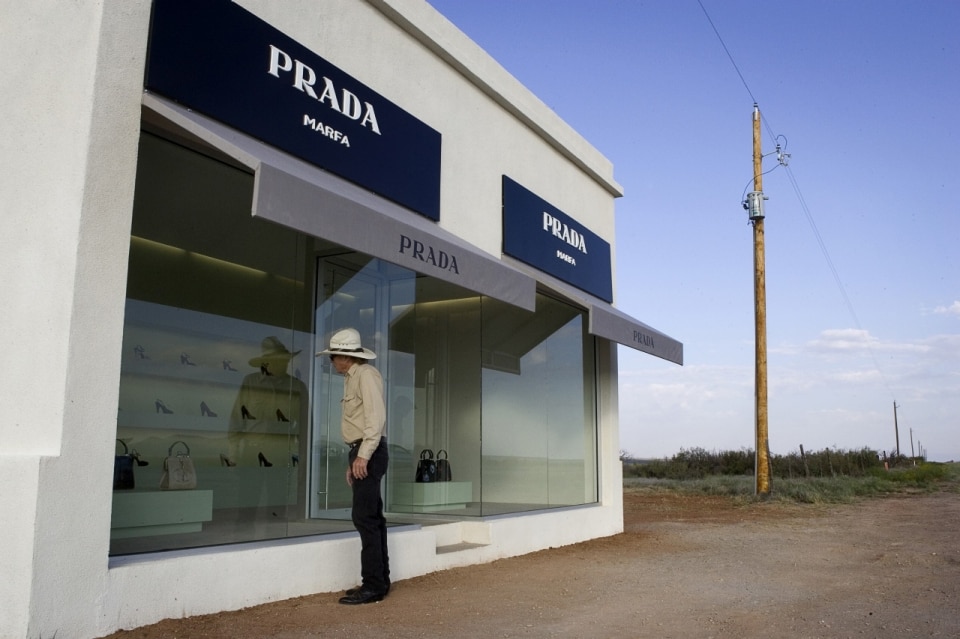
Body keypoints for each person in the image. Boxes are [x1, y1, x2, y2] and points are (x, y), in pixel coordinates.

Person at [318, 328, 390, 605]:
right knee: (371, 517)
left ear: (344, 356)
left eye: (333, 356)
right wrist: (355, 457)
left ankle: (373, 586)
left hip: (368, 450)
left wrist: (363, 456)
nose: (331, 362)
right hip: (361, 450)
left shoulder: (366, 375)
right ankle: (378, 581)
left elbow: (375, 419)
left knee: (365, 518)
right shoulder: (351, 377)